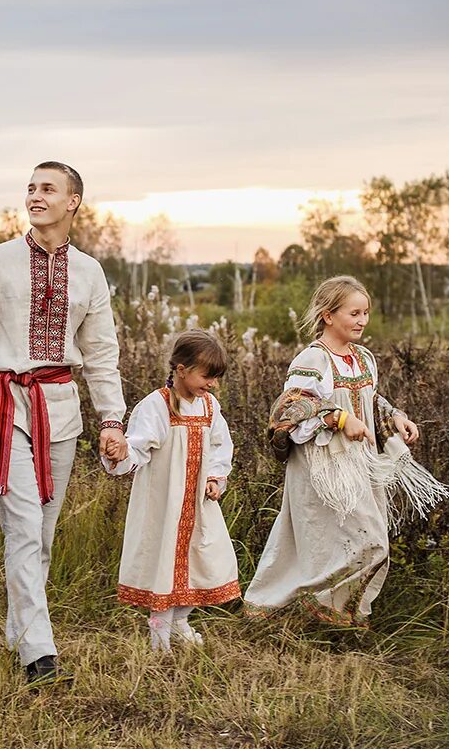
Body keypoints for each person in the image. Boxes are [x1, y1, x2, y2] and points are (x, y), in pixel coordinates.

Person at [0, 161, 128, 685]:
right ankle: (40, 653)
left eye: (48, 189)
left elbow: (102, 352)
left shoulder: (89, 272)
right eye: (31, 188)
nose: (36, 196)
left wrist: (112, 419)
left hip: (61, 408)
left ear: (73, 203)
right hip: (4, 403)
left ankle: (20, 629)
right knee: (21, 525)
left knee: (41, 532)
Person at [243, 276, 423, 628]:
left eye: (366, 313)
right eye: (354, 313)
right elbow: (289, 408)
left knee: (363, 540)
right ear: (328, 315)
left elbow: (370, 400)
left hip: (359, 464)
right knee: (356, 543)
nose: (362, 321)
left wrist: (396, 417)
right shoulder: (314, 359)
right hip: (321, 468)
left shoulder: (363, 359)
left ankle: (339, 617)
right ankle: (308, 606)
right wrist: (339, 418)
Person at [104, 330, 238, 651]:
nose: (213, 384)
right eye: (207, 376)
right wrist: (121, 453)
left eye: (216, 378)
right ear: (181, 369)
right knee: (164, 564)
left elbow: (221, 445)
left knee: (204, 561)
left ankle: (180, 621)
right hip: (165, 504)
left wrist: (215, 476)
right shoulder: (156, 406)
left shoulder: (209, 407)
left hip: (198, 505)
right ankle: (159, 640)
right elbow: (137, 448)